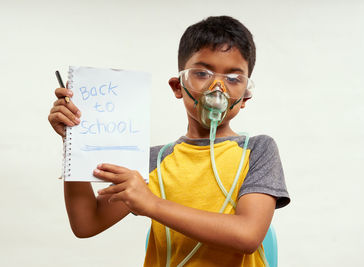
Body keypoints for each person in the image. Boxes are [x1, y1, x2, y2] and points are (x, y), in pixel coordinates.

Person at [48, 16, 290, 267]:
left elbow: (248, 235)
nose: (217, 88)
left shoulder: (258, 150)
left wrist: (151, 204)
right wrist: (74, 140)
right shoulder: (153, 161)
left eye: (233, 78)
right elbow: (87, 223)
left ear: (245, 97)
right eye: (201, 73)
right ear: (177, 86)